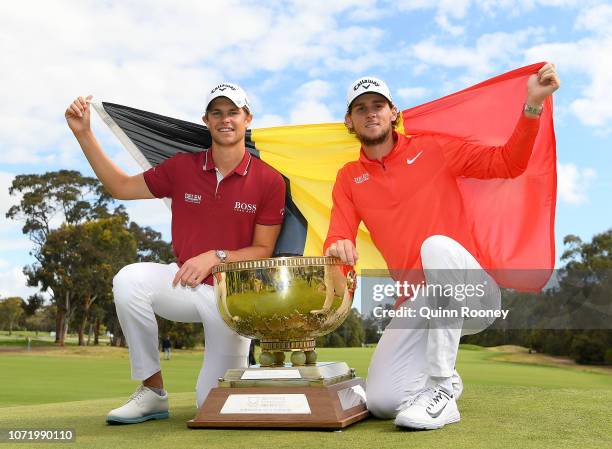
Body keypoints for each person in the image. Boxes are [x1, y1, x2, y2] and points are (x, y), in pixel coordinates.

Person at [324, 64, 560, 430]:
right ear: (349, 122)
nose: (371, 112)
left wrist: (532, 105)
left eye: (378, 105)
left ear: (394, 113)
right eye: (361, 108)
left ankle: (441, 392)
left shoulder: (434, 148)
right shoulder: (348, 177)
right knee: (385, 402)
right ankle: (447, 380)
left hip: (472, 293)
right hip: (418, 301)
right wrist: (338, 246)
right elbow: (337, 235)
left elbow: (509, 163)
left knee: (433, 247)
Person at [65, 82, 286, 424]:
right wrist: (84, 135)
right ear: (206, 120)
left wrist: (216, 256)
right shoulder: (181, 167)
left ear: (247, 119)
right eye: (217, 113)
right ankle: (152, 392)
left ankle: (250, 374)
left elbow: (263, 250)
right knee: (129, 281)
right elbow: (120, 187)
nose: (225, 120)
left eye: (233, 112)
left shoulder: (269, 180)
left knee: (209, 406)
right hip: (184, 282)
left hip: (235, 300)